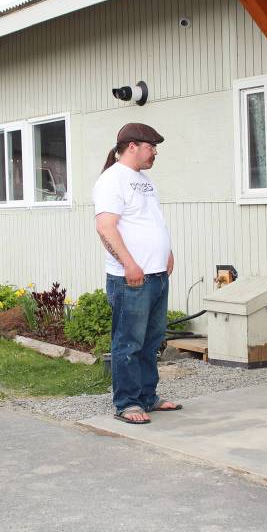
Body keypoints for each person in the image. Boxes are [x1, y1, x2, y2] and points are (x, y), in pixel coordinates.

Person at [93, 122, 179, 425]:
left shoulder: (144, 180)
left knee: (151, 340)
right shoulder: (112, 180)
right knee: (128, 342)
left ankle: (146, 396)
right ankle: (127, 402)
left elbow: (149, 220)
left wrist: (165, 252)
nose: (154, 152)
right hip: (131, 279)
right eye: (150, 146)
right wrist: (129, 263)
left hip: (156, 276)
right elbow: (105, 227)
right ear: (132, 146)